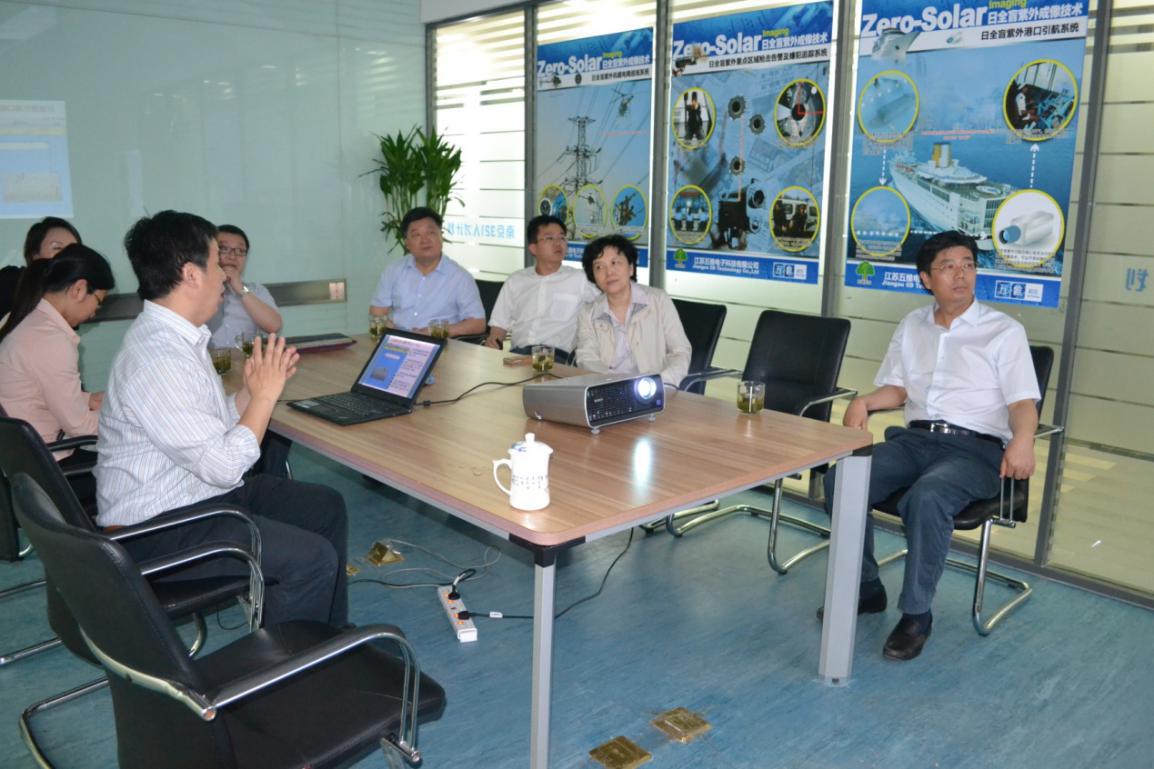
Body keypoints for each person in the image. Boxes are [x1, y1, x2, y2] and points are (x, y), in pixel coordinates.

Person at [95, 210, 348, 627]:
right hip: (156, 530)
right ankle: (290, 664)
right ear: (191, 274)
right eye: (217, 263)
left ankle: (328, 638)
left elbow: (208, 429)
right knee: (311, 559)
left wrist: (247, 393)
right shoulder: (159, 358)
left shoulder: (179, 336)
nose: (224, 276)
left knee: (325, 506)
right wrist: (264, 398)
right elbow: (225, 466)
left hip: (194, 496)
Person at [823, 230, 1040, 661]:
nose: (961, 275)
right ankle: (866, 587)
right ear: (926, 278)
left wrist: (1023, 439)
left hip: (974, 450)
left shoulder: (1004, 331)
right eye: (948, 267)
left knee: (929, 496)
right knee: (842, 479)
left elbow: (1021, 402)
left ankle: (917, 614)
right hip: (915, 440)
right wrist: (864, 401)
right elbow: (899, 389)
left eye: (968, 265)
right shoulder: (912, 325)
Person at [0, 244, 114, 492]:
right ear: (79, 289)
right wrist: (129, 418)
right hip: (50, 472)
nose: (94, 313)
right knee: (136, 470)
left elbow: (34, 391)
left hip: (23, 467)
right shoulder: (51, 339)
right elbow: (80, 427)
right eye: (98, 302)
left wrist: (89, 399)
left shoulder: (23, 319)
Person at [574, 234, 691, 388]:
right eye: (599, 267)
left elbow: (680, 352)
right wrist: (612, 384)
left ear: (631, 268)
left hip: (656, 389)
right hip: (609, 390)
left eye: (615, 263)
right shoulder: (588, 313)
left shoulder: (658, 300)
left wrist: (660, 383)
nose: (609, 272)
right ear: (593, 276)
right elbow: (586, 358)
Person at [483, 214, 597, 360]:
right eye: (549, 238)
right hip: (518, 355)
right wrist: (493, 343)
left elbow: (609, 304)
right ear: (533, 248)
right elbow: (499, 325)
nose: (558, 243)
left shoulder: (580, 279)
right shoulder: (516, 280)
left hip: (556, 358)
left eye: (562, 238)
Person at [369, 207, 485, 337]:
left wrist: (435, 332)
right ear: (407, 243)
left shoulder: (460, 277)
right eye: (416, 235)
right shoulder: (393, 271)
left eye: (431, 233)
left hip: (440, 343)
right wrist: (394, 332)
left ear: (441, 236)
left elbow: (477, 323)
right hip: (398, 341)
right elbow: (377, 312)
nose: (425, 240)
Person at [206, 224, 282, 348]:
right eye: (224, 248)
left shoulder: (256, 291)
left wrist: (240, 288)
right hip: (206, 359)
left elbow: (274, 326)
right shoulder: (196, 289)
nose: (232, 256)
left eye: (240, 251)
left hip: (245, 359)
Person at [0, 217, 82, 319]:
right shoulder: (11, 280)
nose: (66, 256)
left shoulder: (73, 293)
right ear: (34, 254)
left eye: (73, 250)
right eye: (57, 248)